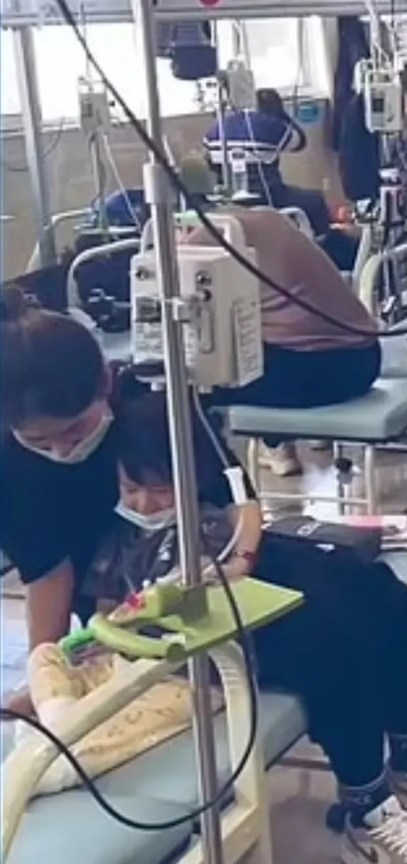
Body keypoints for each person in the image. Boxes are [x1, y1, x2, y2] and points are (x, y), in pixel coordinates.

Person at [98, 391, 407, 864]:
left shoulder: (184, 446)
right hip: (205, 626)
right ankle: (366, 808)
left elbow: (244, 505)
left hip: (239, 568)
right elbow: (109, 608)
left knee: (384, 595)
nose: (144, 502)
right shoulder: (120, 542)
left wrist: (240, 559)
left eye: (160, 490)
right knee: (331, 645)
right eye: (132, 490)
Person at [0, 287, 256, 709]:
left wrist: (238, 564)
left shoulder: (157, 408)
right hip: (116, 597)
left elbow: (238, 500)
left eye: (74, 432)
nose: (62, 452)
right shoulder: (10, 464)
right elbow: (48, 573)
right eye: (39, 441)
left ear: (105, 380)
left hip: (211, 565)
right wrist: (46, 672)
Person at [184, 206, 382, 478]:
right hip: (366, 360)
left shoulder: (208, 238)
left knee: (185, 387)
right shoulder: (268, 217)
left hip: (314, 374)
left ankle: (216, 488)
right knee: (253, 343)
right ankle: (275, 444)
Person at [203, 88, 332, 237]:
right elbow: (300, 143)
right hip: (268, 196)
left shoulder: (216, 129)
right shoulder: (272, 126)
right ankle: (324, 248)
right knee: (315, 201)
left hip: (230, 201)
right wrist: (282, 116)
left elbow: (209, 161)